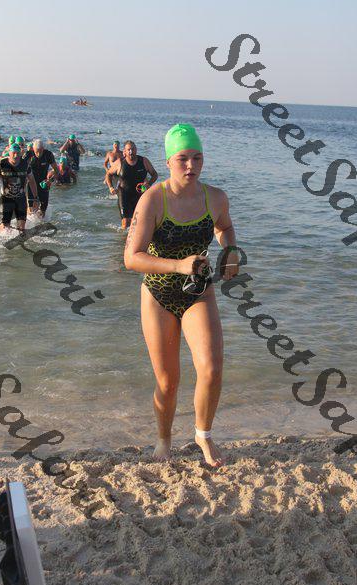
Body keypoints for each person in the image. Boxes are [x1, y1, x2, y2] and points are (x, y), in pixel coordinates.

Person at [124, 123, 240, 467]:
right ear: (168, 161)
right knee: (168, 381)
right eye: (183, 159)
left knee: (211, 369)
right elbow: (132, 258)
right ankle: (164, 439)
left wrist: (230, 251)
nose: (191, 166)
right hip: (158, 294)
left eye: (197, 158)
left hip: (197, 292)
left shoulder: (215, 198)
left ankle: (203, 435)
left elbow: (225, 227)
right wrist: (179, 265)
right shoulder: (153, 199)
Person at [107, 140, 157, 228]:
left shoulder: (144, 161)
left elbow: (154, 174)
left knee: (138, 221)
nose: (131, 151)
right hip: (123, 193)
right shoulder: (120, 162)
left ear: (136, 150)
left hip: (139, 193)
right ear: (125, 151)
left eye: (133, 149)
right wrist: (111, 187)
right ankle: (123, 236)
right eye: (129, 149)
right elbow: (108, 174)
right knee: (126, 222)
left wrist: (148, 184)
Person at [0, 143, 38, 232]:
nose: (16, 156)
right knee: (6, 227)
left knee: (22, 227)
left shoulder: (25, 165)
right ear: (9, 153)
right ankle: (0, 227)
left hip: (21, 198)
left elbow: (32, 181)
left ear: (20, 153)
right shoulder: (1, 164)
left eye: (18, 153)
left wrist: (35, 198)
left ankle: (20, 235)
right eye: (13, 153)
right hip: (6, 199)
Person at [27, 139, 59, 217]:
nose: (38, 154)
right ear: (33, 149)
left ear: (43, 148)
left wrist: (50, 181)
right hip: (31, 184)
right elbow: (21, 169)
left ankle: (42, 222)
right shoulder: (28, 154)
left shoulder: (48, 155)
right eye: (36, 152)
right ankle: (30, 221)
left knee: (43, 208)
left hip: (43, 183)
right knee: (31, 209)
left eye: (40, 151)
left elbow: (56, 170)